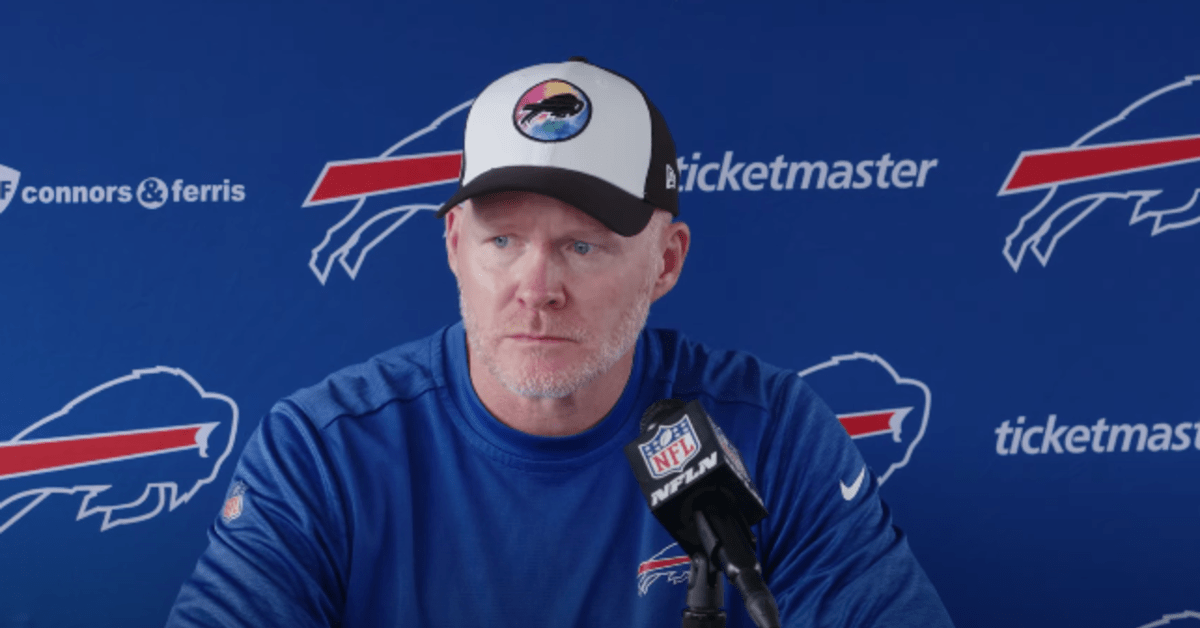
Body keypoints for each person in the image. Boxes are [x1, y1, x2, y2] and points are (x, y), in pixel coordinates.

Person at [166, 57, 955, 627]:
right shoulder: (323, 451)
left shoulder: (768, 431)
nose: (536, 286)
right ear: (452, 247)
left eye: (583, 246)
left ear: (666, 261)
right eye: (503, 240)